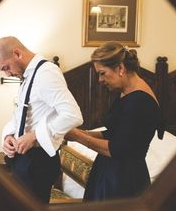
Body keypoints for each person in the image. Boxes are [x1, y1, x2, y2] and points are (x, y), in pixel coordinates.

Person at [64, 42, 161, 201]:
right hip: (111, 171)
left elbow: (117, 149)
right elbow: (115, 133)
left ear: (120, 68)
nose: (100, 80)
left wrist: (77, 136)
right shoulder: (127, 92)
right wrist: (82, 132)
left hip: (123, 181)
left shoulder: (140, 101)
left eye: (102, 73)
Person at [0, 36, 83, 203]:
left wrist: (34, 135)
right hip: (24, 161)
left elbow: (72, 114)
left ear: (17, 53)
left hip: (37, 163)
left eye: (6, 67)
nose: (7, 74)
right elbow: (20, 116)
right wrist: (8, 136)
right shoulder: (28, 76)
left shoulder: (46, 73)